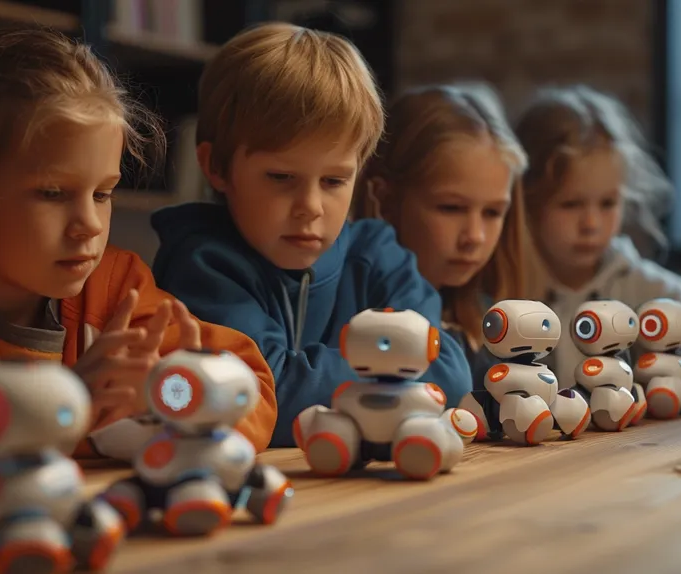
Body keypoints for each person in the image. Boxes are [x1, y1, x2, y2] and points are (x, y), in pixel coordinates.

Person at [0, 28, 277, 482]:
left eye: (102, 193)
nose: (90, 225)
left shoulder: (115, 286)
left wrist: (170, 396)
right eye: (54, 193)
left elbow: (251, 385)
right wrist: (70, 401)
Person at [151, 22, 472, 447]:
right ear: (216, 167)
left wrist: (316, 383)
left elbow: (448, 366)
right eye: (282, 176)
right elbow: (265, 396)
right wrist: (393, 377)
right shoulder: (201, 264)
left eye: (335, 181)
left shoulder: (378, 254)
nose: (311, 206)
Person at [515, 84, 681, 389]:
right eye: (570, 204)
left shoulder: (650, 289)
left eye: (608, 203)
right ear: (528, 203)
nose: (591, 223)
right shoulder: (504, 291)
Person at [352, 82, 534, 389]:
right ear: (385, 199)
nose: (474, 236)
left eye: (492, 213)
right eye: (451, 208)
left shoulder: (487, 324)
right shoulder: (352, 314)